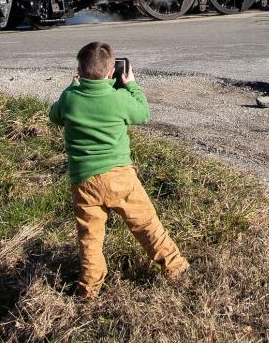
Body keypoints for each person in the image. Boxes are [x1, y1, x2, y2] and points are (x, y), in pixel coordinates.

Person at [49, 42, 189, 298]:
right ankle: (175, 267)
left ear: (79, 71)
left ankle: (89, 289)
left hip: (84, 181)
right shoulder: (119, 98)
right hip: (119, 177)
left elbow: (54, 116)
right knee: (146, 224)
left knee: (90, 238)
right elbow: (143, 113)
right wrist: (132, 84)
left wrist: (72, 86)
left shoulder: (70, 98)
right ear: (112, 72)